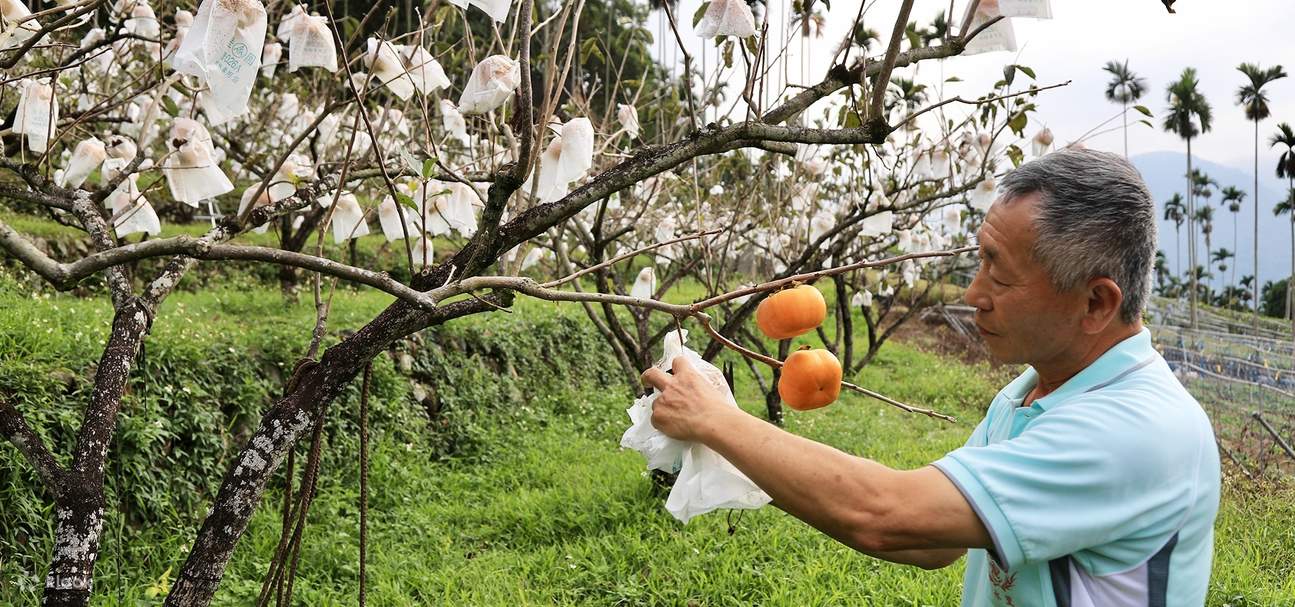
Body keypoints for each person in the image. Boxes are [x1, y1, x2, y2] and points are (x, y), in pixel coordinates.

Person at [640, 149, 1220, 606]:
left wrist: (718, 421)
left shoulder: (1136, 432)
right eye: (980, 261)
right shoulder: (1033, 393)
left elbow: (886, 514)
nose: (974, 295)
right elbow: (933, 540)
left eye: (1000, 272)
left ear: (1095, 303)